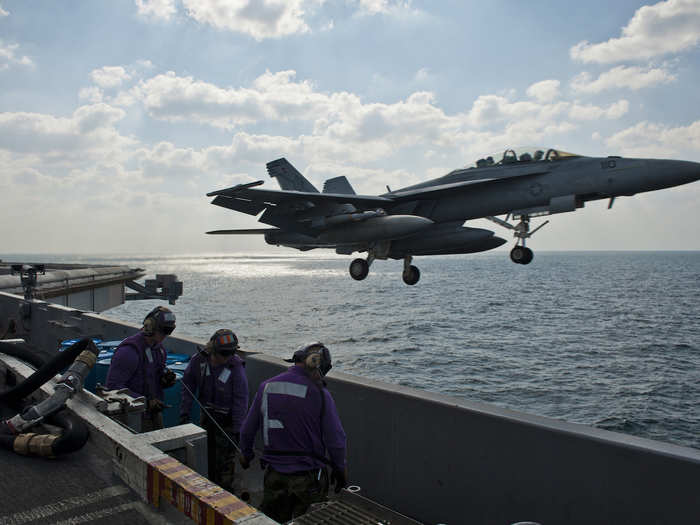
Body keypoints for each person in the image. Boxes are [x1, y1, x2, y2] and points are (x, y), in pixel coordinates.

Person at [238, 342, 347, 523]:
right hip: (308, 479)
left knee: (273, 520)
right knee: (311, 520)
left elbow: (248, 429)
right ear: (317, 367)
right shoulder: (320, 393)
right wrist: (340, 469)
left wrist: (246, 454)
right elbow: (336, 439)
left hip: (274, 476)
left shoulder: (267, 387)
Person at [179, 329, 248, 491]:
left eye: (229, 355)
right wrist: (184, 412)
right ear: (212, 350)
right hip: (208, 416)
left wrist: (238, 430)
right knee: (206, 455)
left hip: (228, 422)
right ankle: (207, 486)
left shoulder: (235, 368)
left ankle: (225, 491)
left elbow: (241, 400)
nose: (225, 359)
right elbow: (187, 385)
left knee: (224, 462)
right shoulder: (199, 361)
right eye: (222, 355)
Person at [105, 306, 177, 431]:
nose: (165, 335)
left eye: (168, 331)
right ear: (150, 326)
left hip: (152, 414)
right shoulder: (129, 352)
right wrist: (145, 402)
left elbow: (153, 378)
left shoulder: (159, 350)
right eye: (163, 330)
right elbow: (113, 386)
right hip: (131, 417)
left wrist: (164, 381)